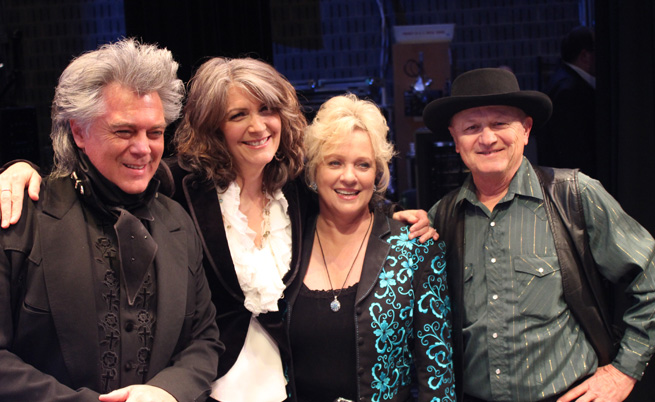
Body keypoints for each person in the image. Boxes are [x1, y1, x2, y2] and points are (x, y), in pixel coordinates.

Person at [0, 56, 437, 401]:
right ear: (215, 126)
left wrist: (399, 215)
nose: (257, 125)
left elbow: (348, 188)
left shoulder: (296, 193)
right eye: (238, 115)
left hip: (286, 382)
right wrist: (20, 169)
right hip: (206, 387)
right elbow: (106, 173)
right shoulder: (178, 188)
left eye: (267, 110)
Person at [0, 38, 222, 401]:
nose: (143, 148)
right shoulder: (23, 216)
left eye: (155, 132)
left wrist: (168, 392)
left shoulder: (178, 223)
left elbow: (204, 338)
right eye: (124, 131)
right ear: (78, 132)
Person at [422, 67, 655, 402]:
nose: (487, 138)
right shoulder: (440, 219)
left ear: (526, 130)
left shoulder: (574, 195)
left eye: (500, 123)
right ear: (456, 140)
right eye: (472, 127)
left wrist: (624, 371)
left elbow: (650, 275)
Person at [285, 94, 455, 402]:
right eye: (335, 162)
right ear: (314, 171)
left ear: (377, 174)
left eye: (362, 164)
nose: (348, 177)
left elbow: (437, 376)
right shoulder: (287, 244)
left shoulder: (416, 249)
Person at [537, 26, 597, 176]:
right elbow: (574, 152)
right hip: (573, 184)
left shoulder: (563, 81)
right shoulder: (569, 91)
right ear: (585, 56)